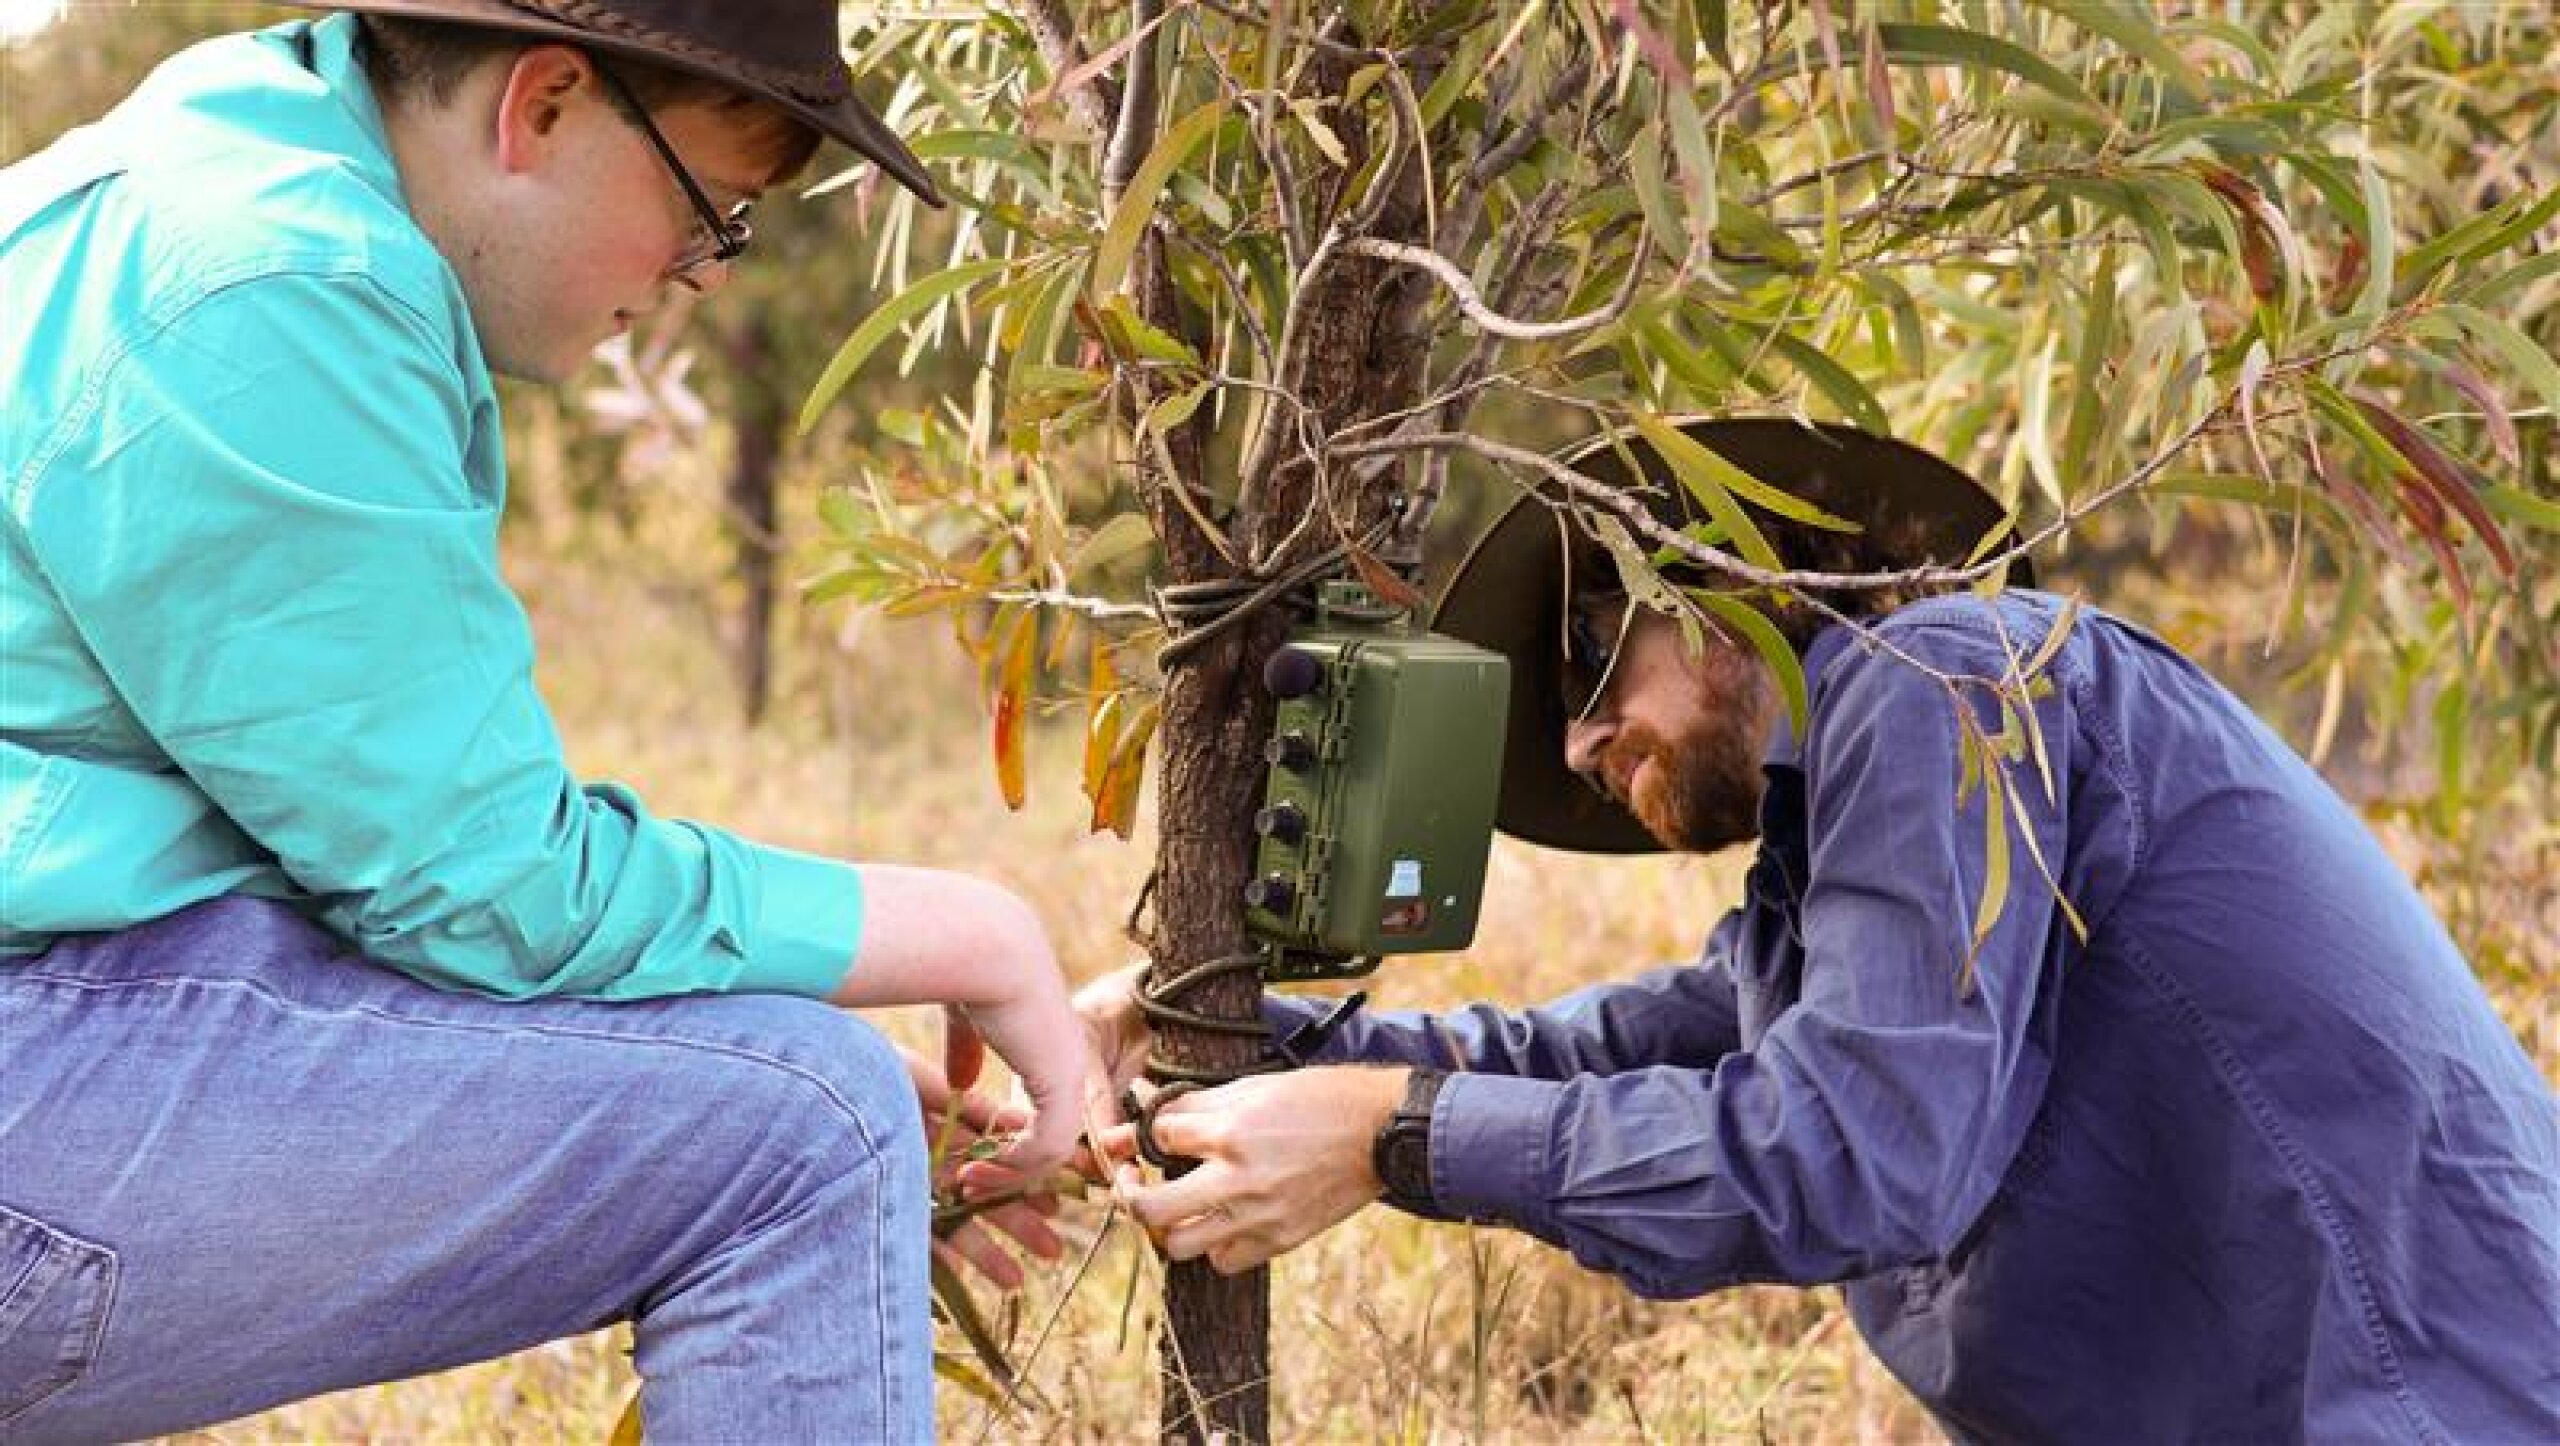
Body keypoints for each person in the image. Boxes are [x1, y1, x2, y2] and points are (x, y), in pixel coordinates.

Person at [0, 3, 1085, 1440]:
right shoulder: (279, 284)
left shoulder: (219, 162)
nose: (700, 275)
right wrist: (971, 929)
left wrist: (685, 1042)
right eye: (716, 213)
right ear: (546, 106)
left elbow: (348, 855)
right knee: (804, 1129)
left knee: (762, 1091)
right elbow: (484, 883)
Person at [1084, 419, 2560, 1442]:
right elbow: (1595, 1051)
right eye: (1561, 722)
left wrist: (1388, 1133)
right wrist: (1236, 1046)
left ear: (1726, 589)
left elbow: (1853, 1148)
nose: (1590, 743)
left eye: (1597, 656)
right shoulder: (1826, 881)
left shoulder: (1942, 681)